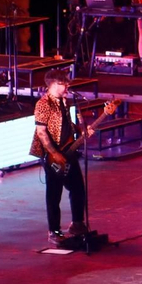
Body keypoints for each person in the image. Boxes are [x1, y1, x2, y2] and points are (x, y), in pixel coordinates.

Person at [31, 69, 94, 238]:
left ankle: (77, 224)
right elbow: (41, 132)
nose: (67, 86)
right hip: (53, 155)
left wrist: (81, 130)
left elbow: (67, 124)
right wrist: (54, 153)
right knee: (54, 194)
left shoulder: (64, 102)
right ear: (54, 84)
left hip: (69, 151)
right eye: (64, 83)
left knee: (78, 188)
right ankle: (54, 231)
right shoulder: (43, 104)